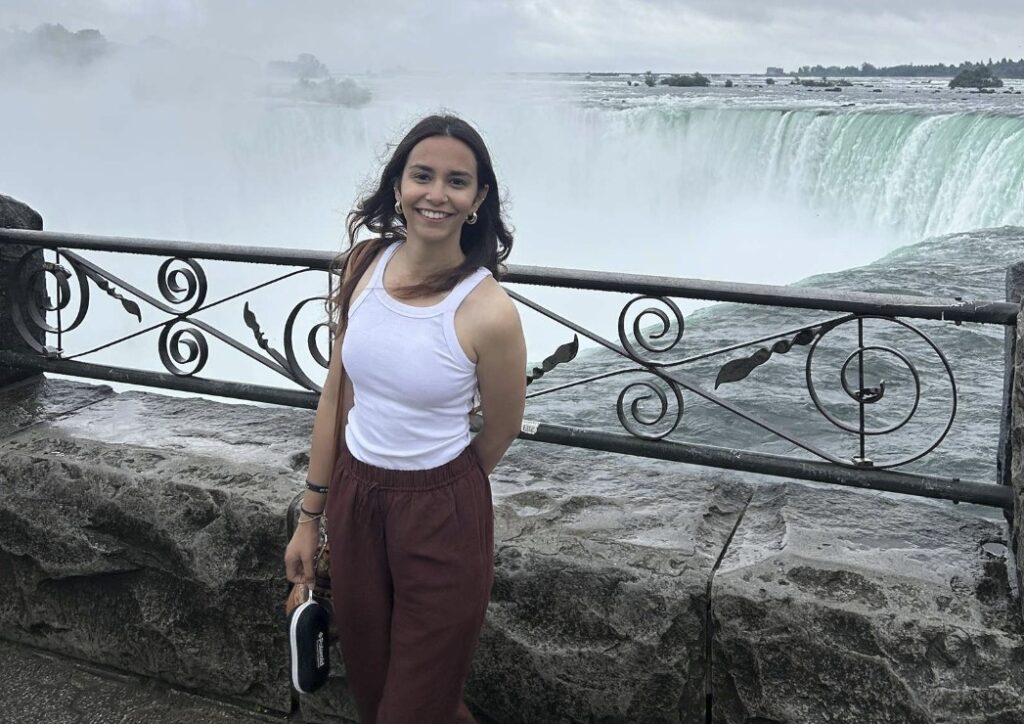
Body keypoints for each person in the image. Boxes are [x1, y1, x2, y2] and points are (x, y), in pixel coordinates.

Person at [284, 114, 526, 724]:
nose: (436, 194)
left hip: (442, 514)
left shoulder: (488, 310)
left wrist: (442, 490)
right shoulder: (364, 265)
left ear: (478, 199)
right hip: (355, 498)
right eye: (422, 176)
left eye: (456, 181)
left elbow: (502, 426)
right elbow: (336, 398)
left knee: (412, 707)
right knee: (377, 692)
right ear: (398, 185)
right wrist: (310, 519)